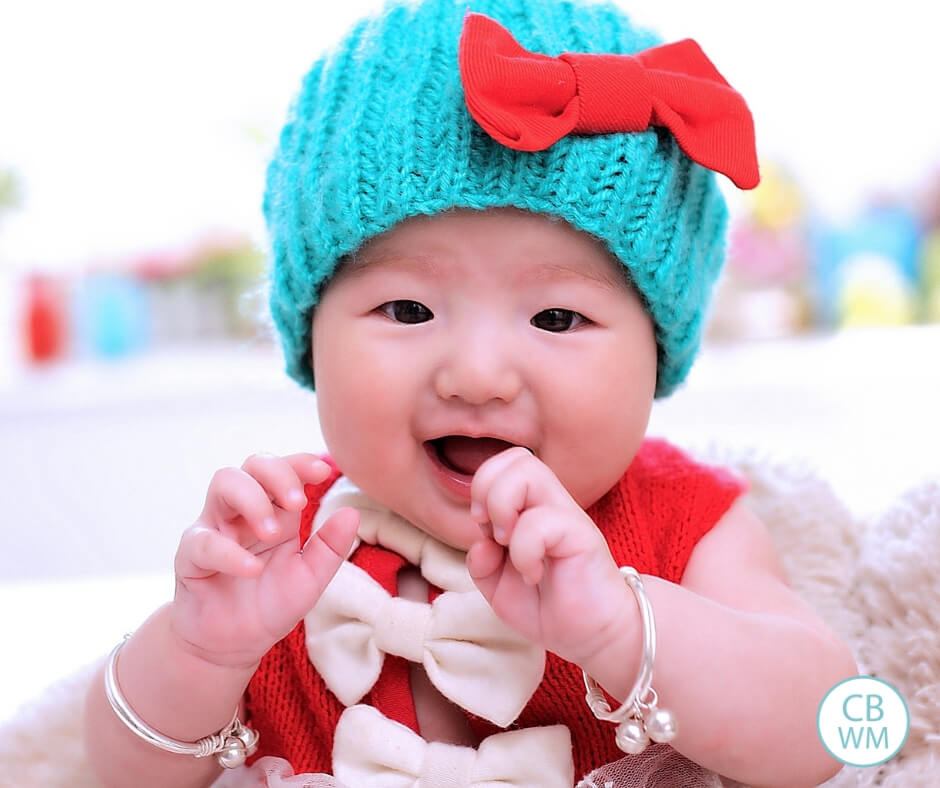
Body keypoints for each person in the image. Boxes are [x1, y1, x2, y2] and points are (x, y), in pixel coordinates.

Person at [83, 0, 858, 785]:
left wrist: (624, 628)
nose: (477, 375)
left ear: (656, 355)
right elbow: (115, 774)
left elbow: (832, 731)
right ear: (310, 335)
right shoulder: (283, 548)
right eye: (408, 310)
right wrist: (201, 650)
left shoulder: (684, 523)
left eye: (558, 317)